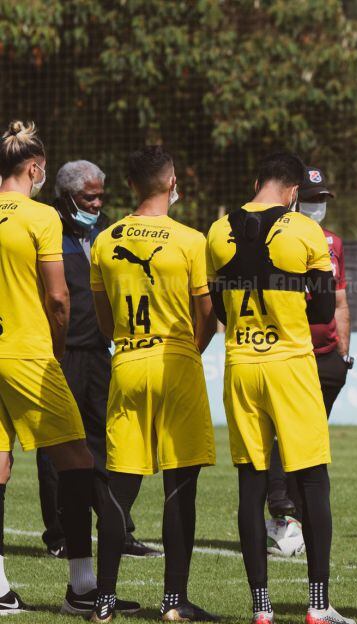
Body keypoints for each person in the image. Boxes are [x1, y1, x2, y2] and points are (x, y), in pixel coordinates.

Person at [206, 152, 350, 624]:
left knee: (251, 482)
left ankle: (262, 609)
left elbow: (222, 308)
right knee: (312, 479)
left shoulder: (218, 230)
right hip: (290, 365)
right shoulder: (306, 232)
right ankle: (316, 604)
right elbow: (325, 310)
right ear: (292, 192)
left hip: (241, 364)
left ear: (256, 181)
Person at [0, 120, 136, 616]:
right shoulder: (40, 218)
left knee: (0, 462)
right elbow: (59, 296)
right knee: (78, 460)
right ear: (35, 169)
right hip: (29, 353)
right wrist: (56, 346)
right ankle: (82, 584)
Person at [88, 146, 218, 622]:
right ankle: (173, 602)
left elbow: (103, 321)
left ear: (130, 185)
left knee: (120, 485)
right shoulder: (191, 239)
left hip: (127, 362)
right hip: (176, 362)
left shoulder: (106, 240)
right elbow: (208, 314)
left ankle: (103, 599)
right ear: (171, 182)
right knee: (180, 485)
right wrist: (188, 350)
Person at [37, 160, 160, 560]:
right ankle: (58, 534)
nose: (97, 202)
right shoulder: (47, 228)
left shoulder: (109, 230)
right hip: (60, 353)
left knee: (109, 442)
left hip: (100, 352)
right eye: (90, 196)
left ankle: (118, 528)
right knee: (58, 445)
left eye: (100, 196)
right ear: (68, 196)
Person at [265, 166, 353, 521]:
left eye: (323, 200)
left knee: (311, 438)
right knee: (284, 432)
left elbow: (341, 300)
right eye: (313, 199)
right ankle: (279, 502)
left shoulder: (334, 243)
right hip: (289, 350)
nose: (318, 206)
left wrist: (343, 351)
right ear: (296, 197)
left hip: (326, 355)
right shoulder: (277, 236)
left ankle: (297, 512)